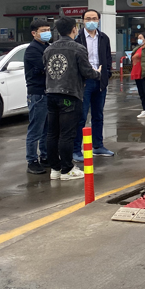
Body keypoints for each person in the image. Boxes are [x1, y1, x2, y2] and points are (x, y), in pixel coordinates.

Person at [44, 17, 101, 180]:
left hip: (51, 93)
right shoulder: (78, 48)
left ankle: (55, 169)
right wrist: (97, 73)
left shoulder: (49, 49)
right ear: (74, 29)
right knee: (67, 134)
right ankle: (67, 169)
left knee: (52, 133)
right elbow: (86, 71)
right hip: (69, 94)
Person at [73, 9, 114, 161]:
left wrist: (107, 73)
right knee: (81, 116)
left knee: (98, 115)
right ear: (83, 20)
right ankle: (76, 149)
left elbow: (108, 57)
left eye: (94, 18)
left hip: (100, 81)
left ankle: (98, 146)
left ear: (99, 20)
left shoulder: (104, 38)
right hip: (84, 82)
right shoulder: (77, 39)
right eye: (88, 18)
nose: (91, 21)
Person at [23, 19, 52, 174]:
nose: (47, 32)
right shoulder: (32, 50)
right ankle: (32, 160)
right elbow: (47, 66)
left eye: (48, 29)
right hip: (38, 94)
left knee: (47, 129)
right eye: (43, 30)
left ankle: (45, 157)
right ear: (34, 33)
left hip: (48, 92)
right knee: (36, 129)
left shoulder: (47, 46)